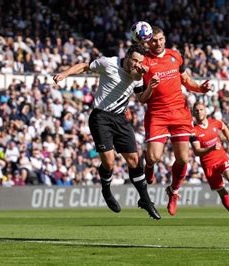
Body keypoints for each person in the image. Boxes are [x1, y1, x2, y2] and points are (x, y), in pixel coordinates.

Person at [53, 44, 160, 220]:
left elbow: (141, 99)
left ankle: (145, 200)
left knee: (134, 160)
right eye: (134, 60)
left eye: (140, 61)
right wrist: (65, 74)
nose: (137, 64)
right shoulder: (108, 63)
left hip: (120, 119)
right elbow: (84, 66)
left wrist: (151, 87)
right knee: (109, 163)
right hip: (101, 117)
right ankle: (106, 190)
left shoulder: (138, 75)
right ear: (126, 56)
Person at [136, 26, 211, 216]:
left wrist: (200, 88)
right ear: (147, 41)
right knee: (152, 157)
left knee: (183, 158)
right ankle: (150, 168)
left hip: (179, 113)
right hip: (157, 115)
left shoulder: (175, 56)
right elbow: (141, 98)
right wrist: (146, 81)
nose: (158, 43)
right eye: (154, 40)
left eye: (161, 39)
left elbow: (186, 80)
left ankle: (174, 191)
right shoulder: (143, 61)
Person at [190, 102, 229, 226]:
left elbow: (224, 127)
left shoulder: (214, 122)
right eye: (196, 110)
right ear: (193, 113)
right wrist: (211, 148)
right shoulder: (193, 131)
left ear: (205, 111)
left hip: (221, 158)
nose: (199, 112)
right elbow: (196, 151)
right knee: (222, 192)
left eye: (201, 109)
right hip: (208, 165)